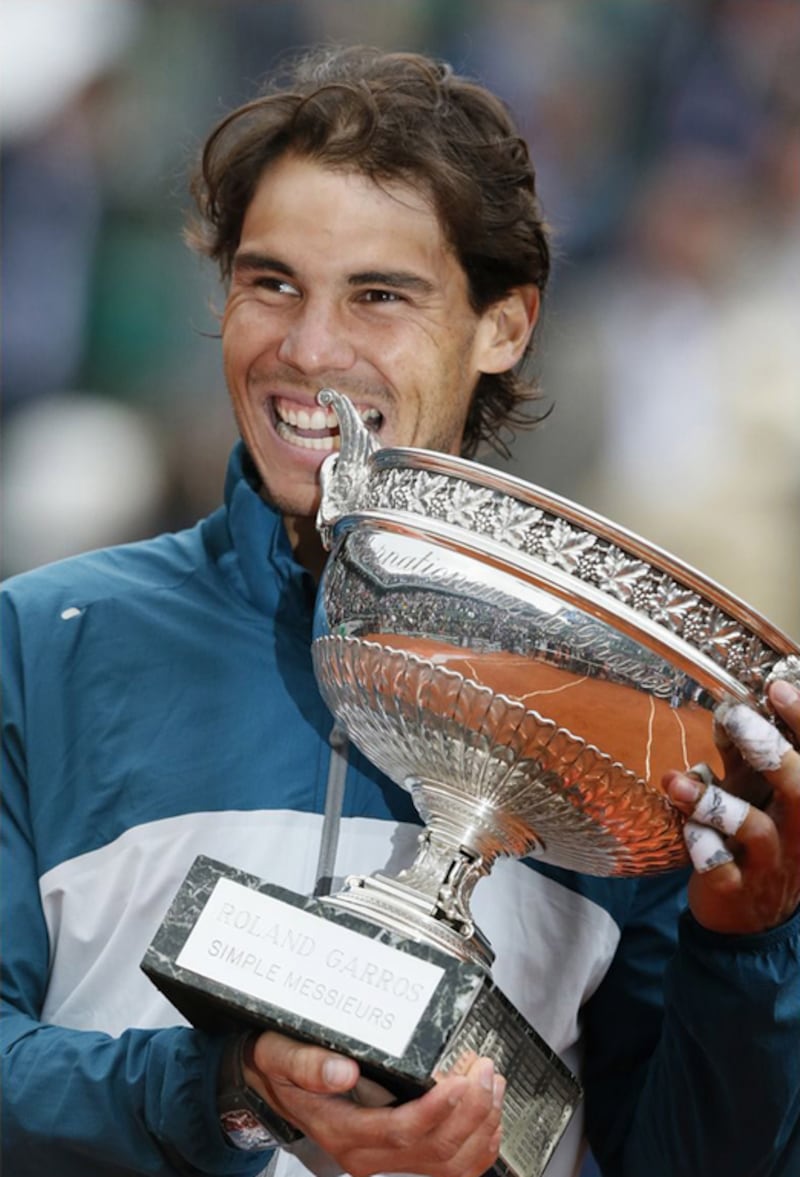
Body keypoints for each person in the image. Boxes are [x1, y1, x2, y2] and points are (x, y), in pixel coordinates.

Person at [2, 45, 799, 1177]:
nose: (309, 350)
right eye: (270, 282)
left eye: (379, 296)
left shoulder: (625, 726)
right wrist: (222, 1089)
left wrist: (748, 948)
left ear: (503, 326)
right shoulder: (38, 643)